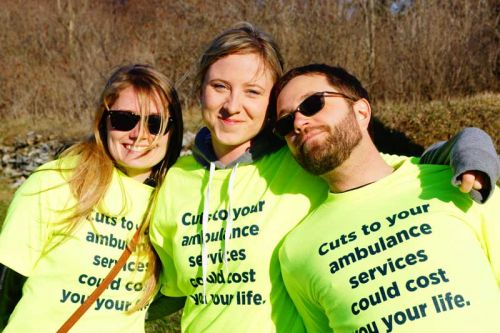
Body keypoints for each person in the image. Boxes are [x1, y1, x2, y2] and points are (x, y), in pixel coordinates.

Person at [150, 22, 498, 332]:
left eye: (253, 91)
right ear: (200, 93)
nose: (232, 104)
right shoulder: (177, 180)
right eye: (220, 86)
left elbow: (399, 165)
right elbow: (165, 282)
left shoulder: (299, 159)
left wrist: (473, 148)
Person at [276, 64, 500, 332]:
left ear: (361, 112)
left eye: (312, 104)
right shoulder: (297, 250)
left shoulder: (463, 184)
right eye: (285, 122)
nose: (299, 123)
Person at [0, 64, 184, 332]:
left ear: (172, 131)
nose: (139, 134)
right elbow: (6, 283)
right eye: (124, 119)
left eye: (155, 124)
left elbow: (176, 291)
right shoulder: (57, 181)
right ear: (104, 120)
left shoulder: (173, 201)